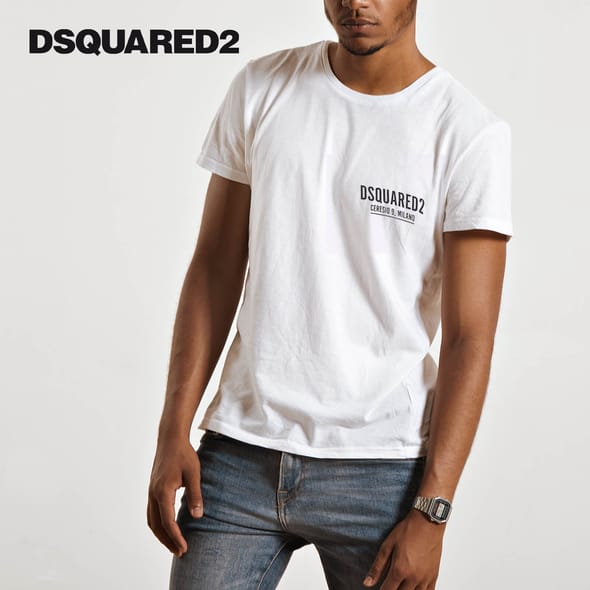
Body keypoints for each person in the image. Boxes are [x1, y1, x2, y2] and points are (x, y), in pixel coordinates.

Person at [147, 0, 514, 588]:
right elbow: (214, 267)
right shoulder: (262, 88)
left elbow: (470, 337)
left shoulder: (466, 132)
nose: (355, 1)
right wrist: (173, 430)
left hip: (383, 471)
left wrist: (433, 509)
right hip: (239, 454)